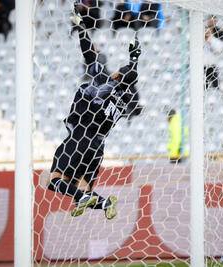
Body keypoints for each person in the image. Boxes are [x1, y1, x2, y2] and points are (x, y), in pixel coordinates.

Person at [40, 4, 141, 219]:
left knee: (54, 180)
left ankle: (84, 198)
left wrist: (82, 28)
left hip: (80, 136)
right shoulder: (125, 98)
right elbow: (130, 77)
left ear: (116, 76)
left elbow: (90, 56)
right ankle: (104, 203)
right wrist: (134, 59)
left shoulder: (105, 83)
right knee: (84, 188)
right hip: (98, 145)